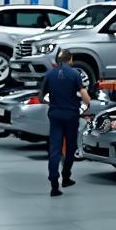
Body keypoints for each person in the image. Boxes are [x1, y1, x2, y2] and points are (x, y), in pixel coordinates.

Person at [40, 50, 92, 197]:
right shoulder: (75, 74)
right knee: (70, 148)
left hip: (55, 116)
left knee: (55, 149)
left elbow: (41, 96)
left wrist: (53, 103)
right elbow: (85, 97)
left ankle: (54, 184)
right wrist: (85, 106)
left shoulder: (49, 74)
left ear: (58, 61)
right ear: (70, 60)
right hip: (71, 116)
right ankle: (66, 176)